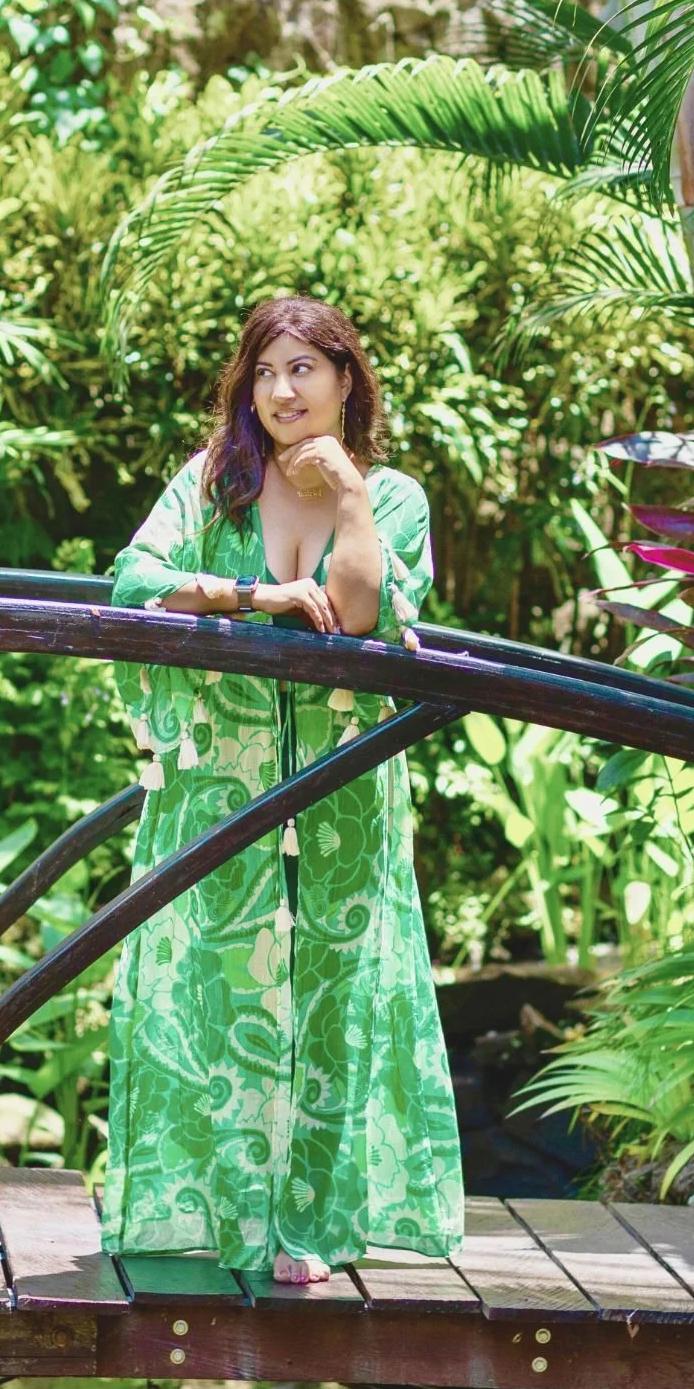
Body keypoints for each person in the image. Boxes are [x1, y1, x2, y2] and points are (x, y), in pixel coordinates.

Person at [100, 295, 464, 1285]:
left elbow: (361, 610)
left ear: (346, 379)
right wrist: (253, 594)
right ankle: (231, 1211)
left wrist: (345, 487)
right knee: (225, 987)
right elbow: (135, 580)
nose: (281, 390)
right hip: (224, 783)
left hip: (344, 787)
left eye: (303, 367)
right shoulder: (211, 485)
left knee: (335, 996)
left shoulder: (392, 498)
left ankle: (307, 1219)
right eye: (264, 372)